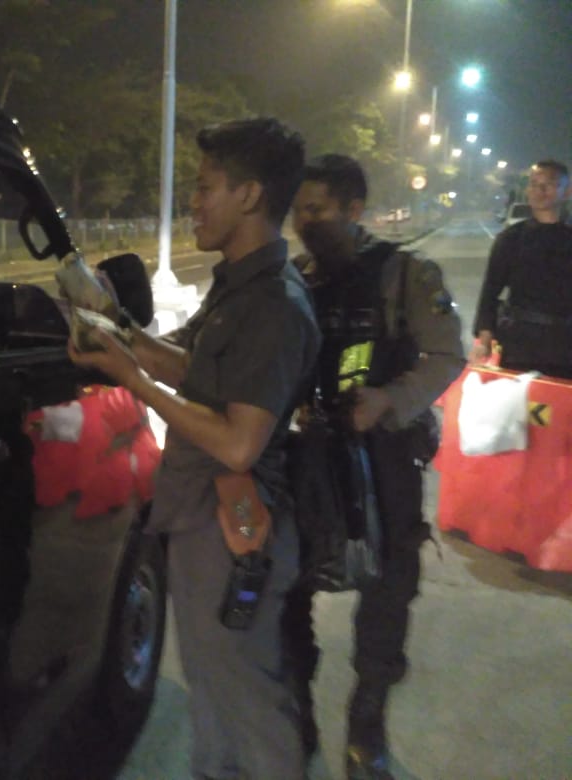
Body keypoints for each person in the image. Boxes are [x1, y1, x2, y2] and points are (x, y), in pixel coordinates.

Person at [69, 117, 320, 779]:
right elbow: (194, 369)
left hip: (235, 524)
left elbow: (239, 443)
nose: (194, 202)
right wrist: (119, 332)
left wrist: (132, 380)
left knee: (249, 700)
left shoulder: (275, 304)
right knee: (211, 685)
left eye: (206, 187)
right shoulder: (240, 286)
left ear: (249, 195)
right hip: (201, 514)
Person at [284, 154, 465, 779]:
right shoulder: (294, 277)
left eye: (316, 210)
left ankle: (368, 718)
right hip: (307, 454)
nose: (303, 222)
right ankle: (296, 708)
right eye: (298, 210)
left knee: (388, 585)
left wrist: (389, 399)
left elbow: (446, 354)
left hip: (383, 454)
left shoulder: (405, 274)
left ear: (353, 210)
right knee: (290, 580)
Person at [471, 159, 572, 378]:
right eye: (534, 184)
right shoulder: (511, 239)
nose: (540, 190)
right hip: (520, 345)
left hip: (566, 345)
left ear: (567, 191)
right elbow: (490, 292)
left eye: (549, 184)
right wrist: (484, 341)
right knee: (520, 399)